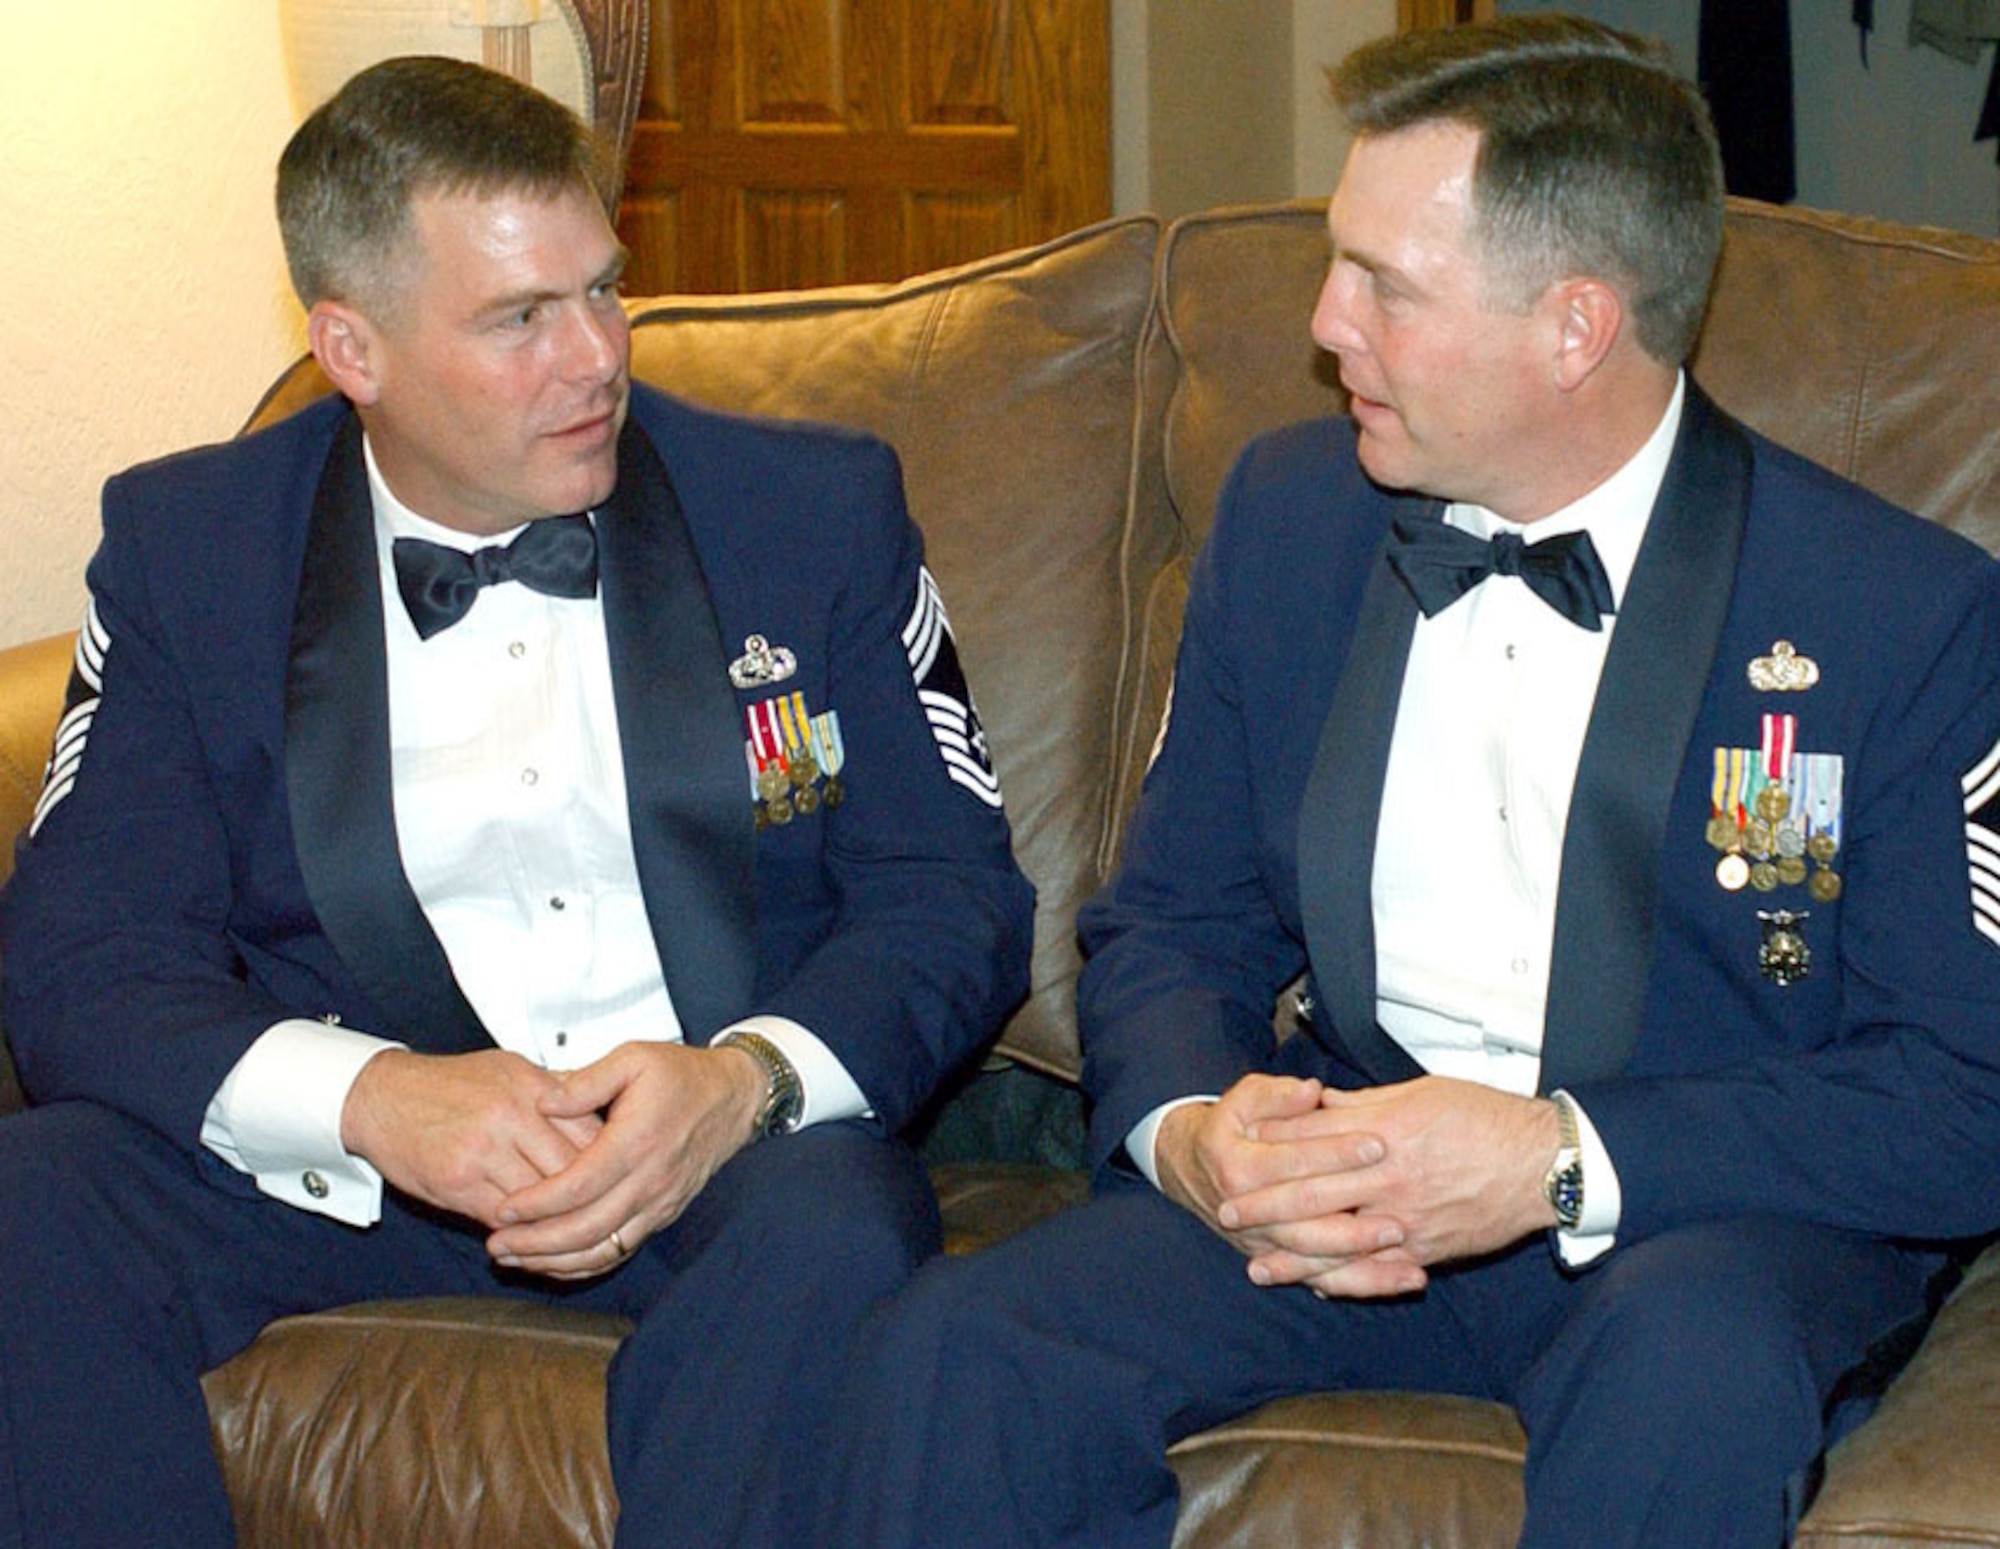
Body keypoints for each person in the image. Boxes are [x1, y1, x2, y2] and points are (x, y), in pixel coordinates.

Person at [818, 15, 2000, 1548]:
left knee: (1692, 1383)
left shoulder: (1896, 614)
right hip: (1344, 1186)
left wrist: (1557, 1157)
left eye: (1384, 283)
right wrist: (1194, 1127)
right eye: (1336, 263)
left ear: (1576, 328)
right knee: (959, 1353)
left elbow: (1966, 1087)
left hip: (1698, 1219)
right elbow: (1172, 923)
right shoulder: (1292, 517)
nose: (1325, 324)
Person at [0, 55, 1032, 1549]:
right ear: (350, 345)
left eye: (602, 291)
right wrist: (370, 1101)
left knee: (833, 1231)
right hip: (363, 1165)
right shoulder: (191, 548)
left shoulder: (807, 509)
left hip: (718, 1167)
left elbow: (953, 893)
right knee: (35, 1198)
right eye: (519, 320)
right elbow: (82, 955)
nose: (596, 356)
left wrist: (744, 1081)